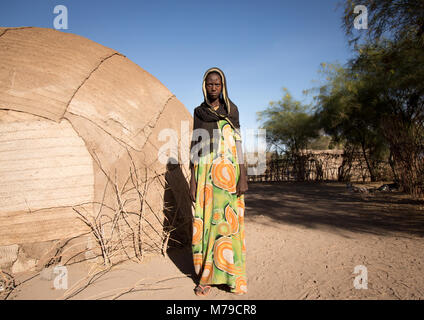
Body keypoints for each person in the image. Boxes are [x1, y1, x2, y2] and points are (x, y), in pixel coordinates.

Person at [189, 67, 248, 296]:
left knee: (227, 224)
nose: (213, 88)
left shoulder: (232, 111)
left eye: (217, 84)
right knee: (206, 224)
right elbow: (195, 146)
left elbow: (239, 143)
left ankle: (229, 275)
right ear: (205, 86)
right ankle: (206, 276)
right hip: (204, 174)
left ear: (223, 86)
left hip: (229, 175)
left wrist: (243, 175)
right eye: (210, 84)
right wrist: (192, 180)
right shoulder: (199, 112)